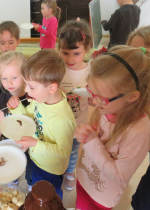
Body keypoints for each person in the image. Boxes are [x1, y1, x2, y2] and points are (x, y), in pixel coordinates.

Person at [75, 46, 150, 210]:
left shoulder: (139, 131)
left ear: (132, 97)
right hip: (84, 179)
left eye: (101, 99)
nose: (94, 102)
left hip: (102, 196)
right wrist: (88, 134)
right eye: (91, 92)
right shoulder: (109, 108)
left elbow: (120, 176)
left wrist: (92, 142)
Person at [7, 49, 76, 198]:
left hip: (50, 169)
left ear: (52, 88)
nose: (25, 90)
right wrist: (17, 108)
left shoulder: (62, 119)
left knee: (51, 200)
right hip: (37, 159)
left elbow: (63, 153)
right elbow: (30, 114)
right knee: (38, 193)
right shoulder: (43, 99)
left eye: (31, 87)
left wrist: (35, 144)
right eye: (26, 84)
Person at [0, 51, 32, 191]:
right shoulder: (3, 97)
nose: (9, 83)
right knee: (10, 162)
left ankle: (30, 183)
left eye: (14, 77)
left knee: (30, 166)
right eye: (4, 78)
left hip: (29, 142)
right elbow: (1, 122)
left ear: (25, 75)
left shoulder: (32, 95)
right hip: (10, 142)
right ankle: (13, 180)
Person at [58, 18, 93, 191]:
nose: (70, 59)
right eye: (65, 53)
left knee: (73, 151)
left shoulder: (90, 71)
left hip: (78, 123)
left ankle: (70, 172)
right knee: (57, 146)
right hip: (58, 120)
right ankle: (57, 168)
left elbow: (95, 96)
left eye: (76, 53)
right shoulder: (58, 69)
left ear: (86, 49)